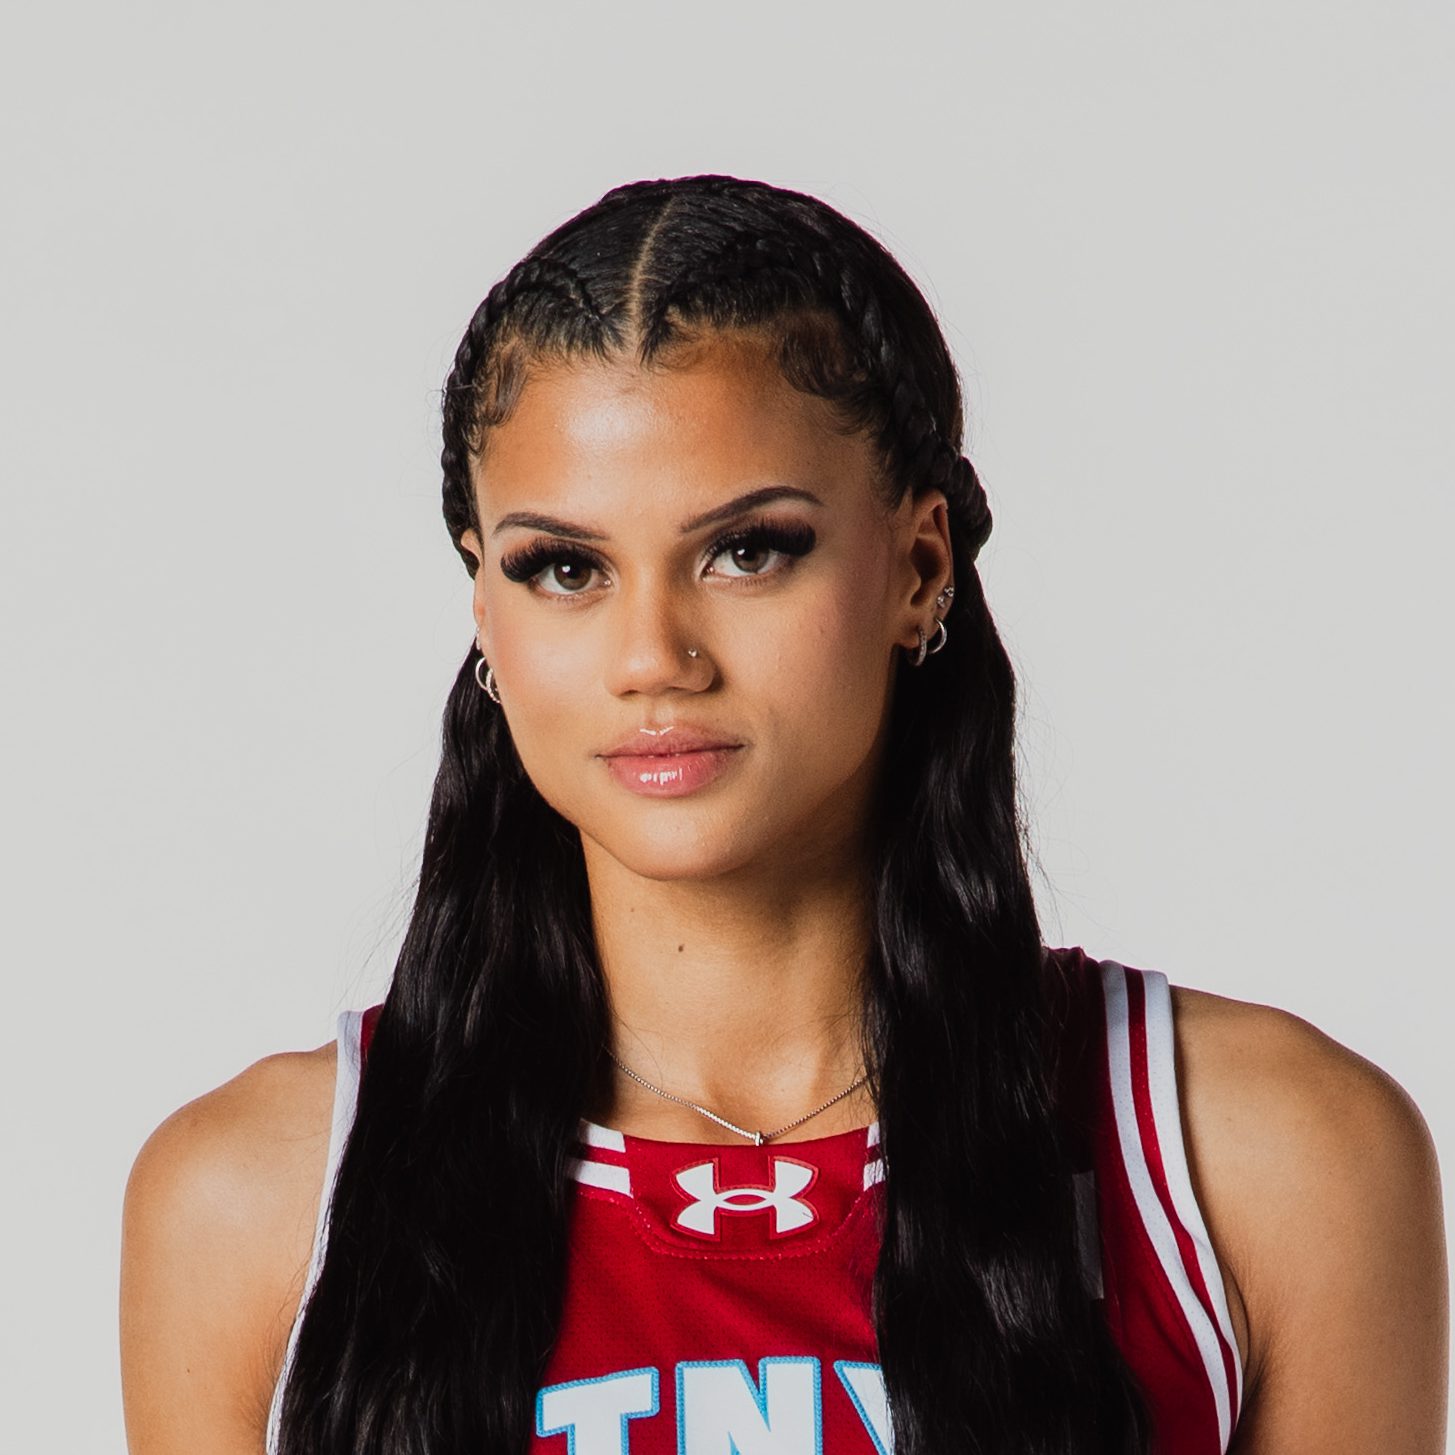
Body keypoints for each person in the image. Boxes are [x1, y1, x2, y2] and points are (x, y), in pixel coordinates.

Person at [118, 174, 1448, 1455]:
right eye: (564, 568)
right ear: (484, 607)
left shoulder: (1265, 1161)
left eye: (746, 551)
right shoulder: (258, 1205)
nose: (653, 656)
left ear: (919, 564)